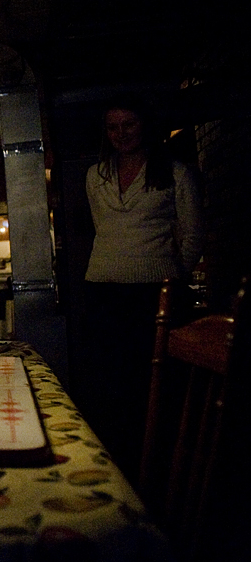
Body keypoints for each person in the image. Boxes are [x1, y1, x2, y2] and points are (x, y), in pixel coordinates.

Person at [81, 93, 204, 481]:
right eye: (113, 127)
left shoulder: (175, 172)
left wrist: (168, 270)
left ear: (145, 125)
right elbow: (104, 228)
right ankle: (117, 472)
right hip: (103, 289)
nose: (121, 133)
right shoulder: (95, 175)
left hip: (156, 294)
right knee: (109, 387)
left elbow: (194, 235)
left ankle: (157, 475)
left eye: (129, 124)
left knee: (154, 391)